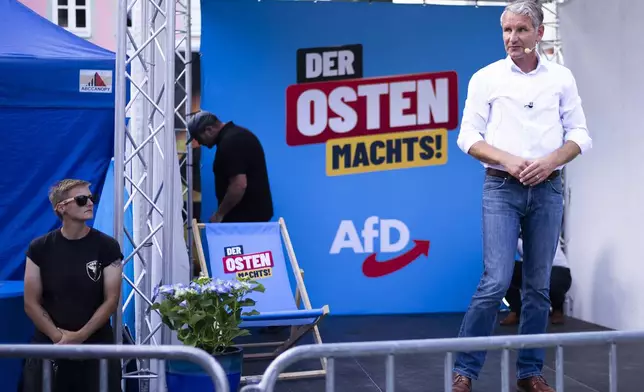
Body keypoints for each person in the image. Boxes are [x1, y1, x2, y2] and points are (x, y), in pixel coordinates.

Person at [451, 1, 592, 391]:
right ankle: (465, 370)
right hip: (500, 187)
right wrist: (511, 161)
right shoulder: (486, 78)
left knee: (538, 287)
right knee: (494, 282)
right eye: (507, 31)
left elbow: (580, 134)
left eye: (521, 30)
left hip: (547, 188)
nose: (512, 38)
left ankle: (530, 372)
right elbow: (467, 138)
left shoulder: (561, 78)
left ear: (540, 33)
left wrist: (549, 162)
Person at [20, 179, 123, 392]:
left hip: (96, 349)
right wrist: (60, 339)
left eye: (90, 198)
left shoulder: (107, 246)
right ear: (61, 207)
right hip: (50, 348)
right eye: (81, 199)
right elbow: (31, 302)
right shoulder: (39, 248)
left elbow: (111, 300)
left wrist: (80, 337)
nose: (90, 203)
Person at [186, 111, 274, 224]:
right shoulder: (241, 134)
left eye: (198, 137)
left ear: (209, 130)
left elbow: (239, 185)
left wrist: (219, 215)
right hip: (254, 220)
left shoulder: (229, 142)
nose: (198, 142)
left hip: (243, 223)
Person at [501, 237, 572, 326]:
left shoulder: (546, 228)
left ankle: (557, 310)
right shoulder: (515, 234)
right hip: (533, 269)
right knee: (504, 270)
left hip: (557, 266)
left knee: (555, 282)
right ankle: (516, 311)